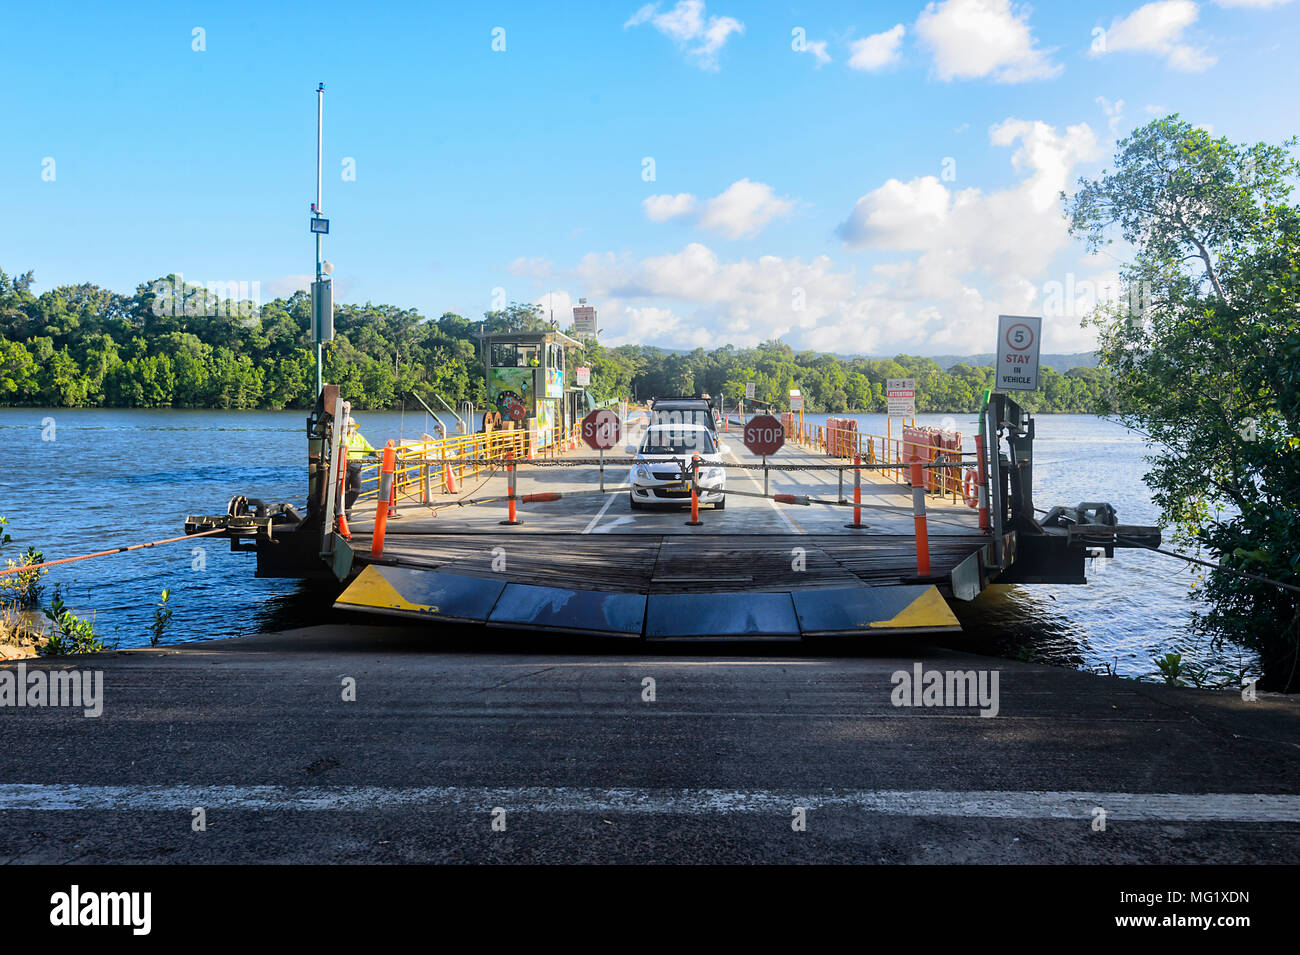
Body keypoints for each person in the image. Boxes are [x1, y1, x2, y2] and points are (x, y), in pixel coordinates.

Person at [343, 419, 375, 521]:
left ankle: (347, 507)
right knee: (344, 490)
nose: (350, 428)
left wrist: (375, 454)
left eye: (352, 426)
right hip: (345, 466)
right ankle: (344, 513)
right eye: (348, 426)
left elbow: (367, 447)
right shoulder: (341, 437)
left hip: (357, 466)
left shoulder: (359, 437)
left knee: (356, 490)